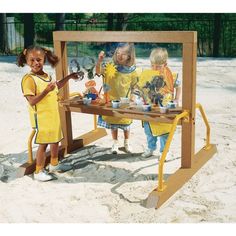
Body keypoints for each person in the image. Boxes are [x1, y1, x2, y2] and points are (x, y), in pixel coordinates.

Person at [17, 45, 79, 181]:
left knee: (55, 140)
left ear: (44, 59)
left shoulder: (47, 76)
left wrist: (69, 77)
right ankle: (38, 171)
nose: (35, 63)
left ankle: (54, 164)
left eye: (38, 60)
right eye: (32, 60)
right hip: (42, 117)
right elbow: (32, 101)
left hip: (53, 115)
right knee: (43, 144)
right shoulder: (29, 79)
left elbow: (56, 86)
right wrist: (46, 91)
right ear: (26, 60)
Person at [137, 47, 181, 158]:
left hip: (164, 108)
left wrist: (176, 99)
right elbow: (142, 88)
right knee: (149, 130)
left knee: (165, 131)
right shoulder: (148, 73)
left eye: (158, 66)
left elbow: (178, 86)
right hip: (150, 108)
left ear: (165, 64)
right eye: (152, 65)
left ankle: (164, 151)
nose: (155, 68)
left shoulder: (170, 75)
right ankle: (151, 148)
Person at [95, 43, 138, 154]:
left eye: (123, 54)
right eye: (118, 53)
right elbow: (98, 72)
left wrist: (133, 97)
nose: (119, 56)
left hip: (125, 102)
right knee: (113, 124)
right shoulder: (110, 66)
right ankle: (115, 142)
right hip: (111, 100)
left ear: (129, 56)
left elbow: (134, 86)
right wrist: (99, 61)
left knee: (126, 125)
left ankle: (126, 142)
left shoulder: (132, 70)